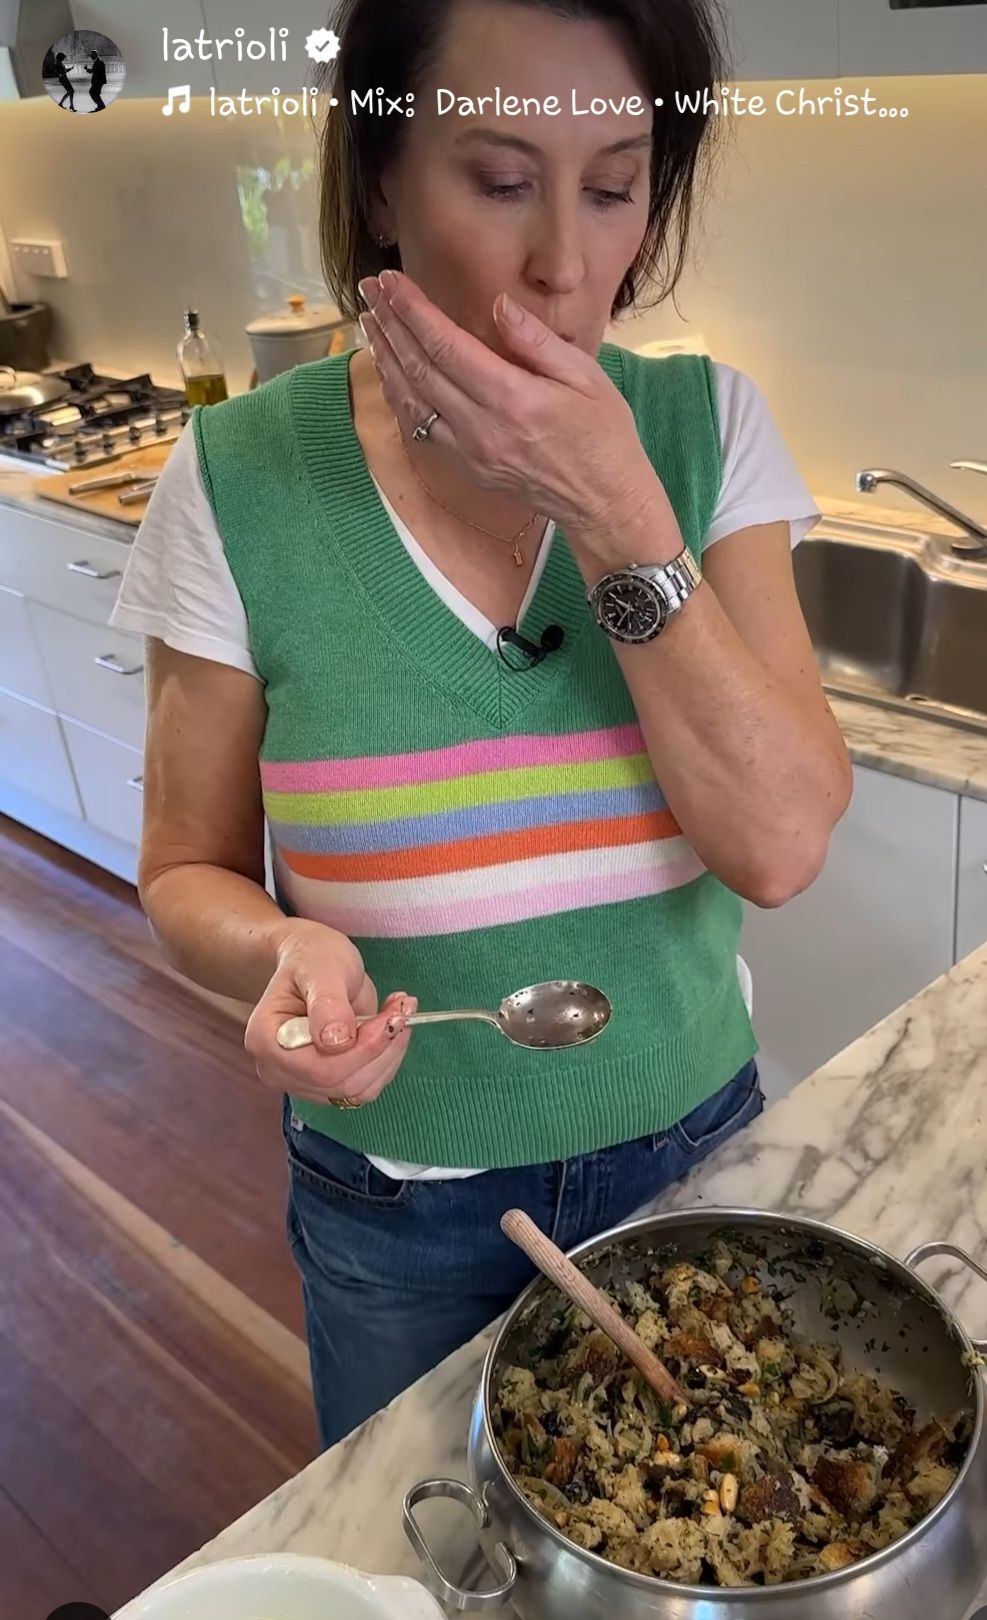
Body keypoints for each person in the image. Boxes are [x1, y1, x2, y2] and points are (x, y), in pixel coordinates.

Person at [109, 0, 852, 1454]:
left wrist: (615, 509)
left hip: (692, 1154)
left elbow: (777, 846)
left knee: (710, 1520)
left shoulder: (707, 432)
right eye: (502, 180)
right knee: (420, 1549)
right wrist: (277, 952)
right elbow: (184, 868)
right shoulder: (238, 476)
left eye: (615, 186)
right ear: (382, 180)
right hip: (400, 1199)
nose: (565, 264)